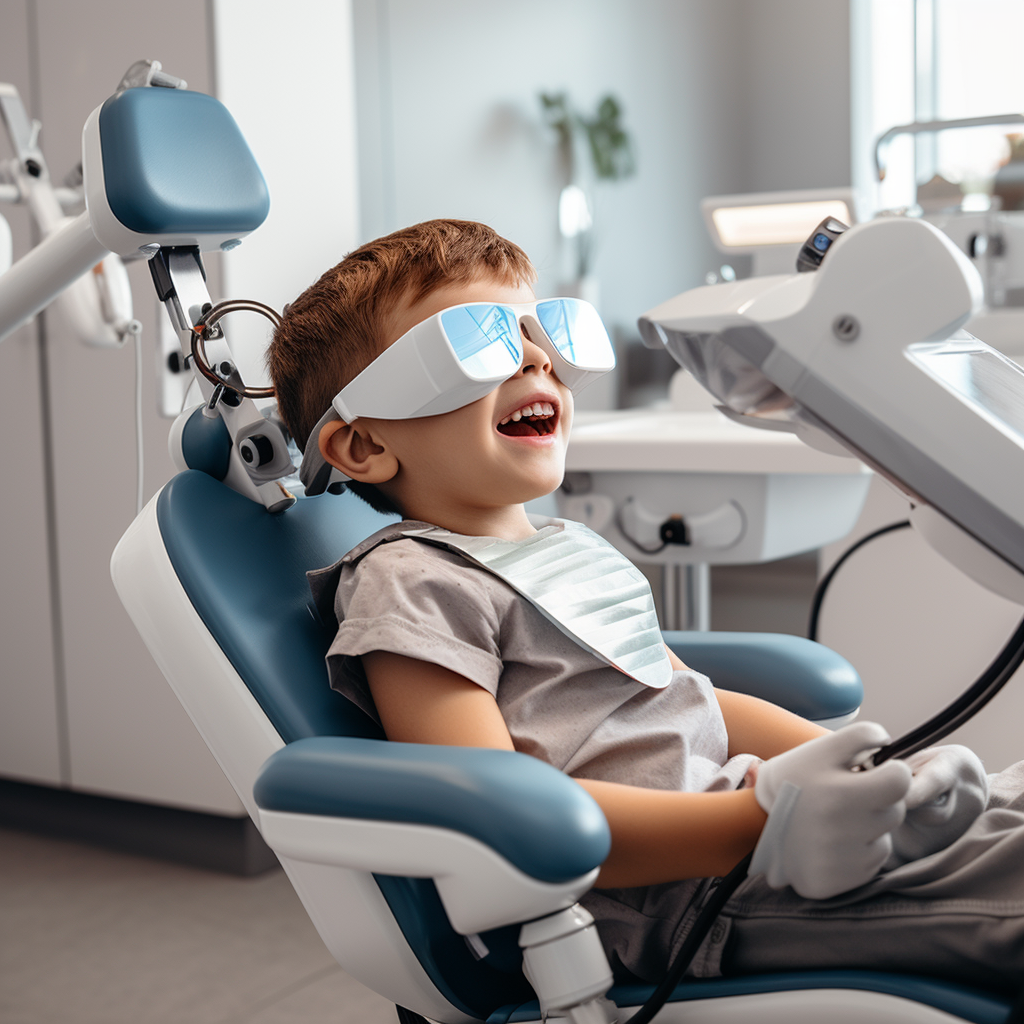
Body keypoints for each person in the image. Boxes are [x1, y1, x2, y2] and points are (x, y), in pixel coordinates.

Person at [268, 219, 1023, 993]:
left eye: (540, 334)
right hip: (677, 895)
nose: (535, 358)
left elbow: (695, 704)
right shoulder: (413, 579)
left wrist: (885, 769)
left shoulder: (567, 547)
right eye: (474, 346)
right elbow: (494, 806)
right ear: (362, 447)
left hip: (749, 830)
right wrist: (761, 826)